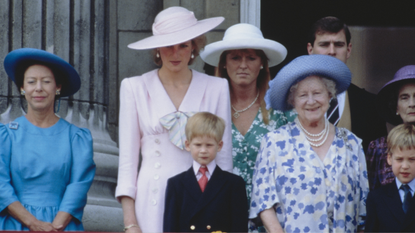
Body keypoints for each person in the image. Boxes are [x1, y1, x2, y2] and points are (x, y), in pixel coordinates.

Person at [115, 6, 232, 233]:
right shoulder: (134, 87)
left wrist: (220, 212)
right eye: (168, 45)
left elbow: (224, 159)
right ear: (157, 48)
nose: (175, 53)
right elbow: (128, 163)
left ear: (194, 47)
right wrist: (130, 223)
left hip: (201, 197)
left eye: (183, 45)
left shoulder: (217, 86)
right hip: (152, 200)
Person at [249, 55, 369, 232]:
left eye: (317, 93)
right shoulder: (274, 143)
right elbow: (263, 203)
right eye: (303, 95)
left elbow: (363, 207)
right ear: (293, 101)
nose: (311, 101)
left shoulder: (351, 143)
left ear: (330, 95)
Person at [0, 48, 96, 231]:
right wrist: (33, 223)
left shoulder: (76, 138)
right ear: (22, 88)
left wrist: (56, 226)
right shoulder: (6, 136)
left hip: (61, 225)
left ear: (57, 87)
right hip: (15, 224)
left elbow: (78, 186)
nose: (38, 88)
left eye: (46, 82)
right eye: (31, 82)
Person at [200, 23, 293, 205]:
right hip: (222, 212)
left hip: (272, 214)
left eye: (251, 58)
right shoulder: (209, 109)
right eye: (235, 58)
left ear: (261, 64)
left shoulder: (281, 109)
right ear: (224, 64)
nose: (243, 65)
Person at [307, 16, 387, 152]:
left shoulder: (371, 105)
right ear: (310, 50)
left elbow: (376, 164)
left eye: (338, 45)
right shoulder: (293, 103)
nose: (331, 51)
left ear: (348, 50)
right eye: (324, 44)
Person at [163, 112, 248, 232]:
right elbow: (170, 228)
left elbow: (239, 227)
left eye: (209, 145)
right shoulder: (176, 184)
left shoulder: (234, 184)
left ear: (219, 146)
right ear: (188, 145)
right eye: (198, 145)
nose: (203, 150)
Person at [367, 65, 415, 190]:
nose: (412, 104)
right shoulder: (378, 147)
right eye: (404, 98)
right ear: (396, 106)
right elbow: (371, 194)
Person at [365, 123, 415, 232]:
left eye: (412, 159)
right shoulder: (376, 199)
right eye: (399, 159)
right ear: (389, 158)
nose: (405, 166)